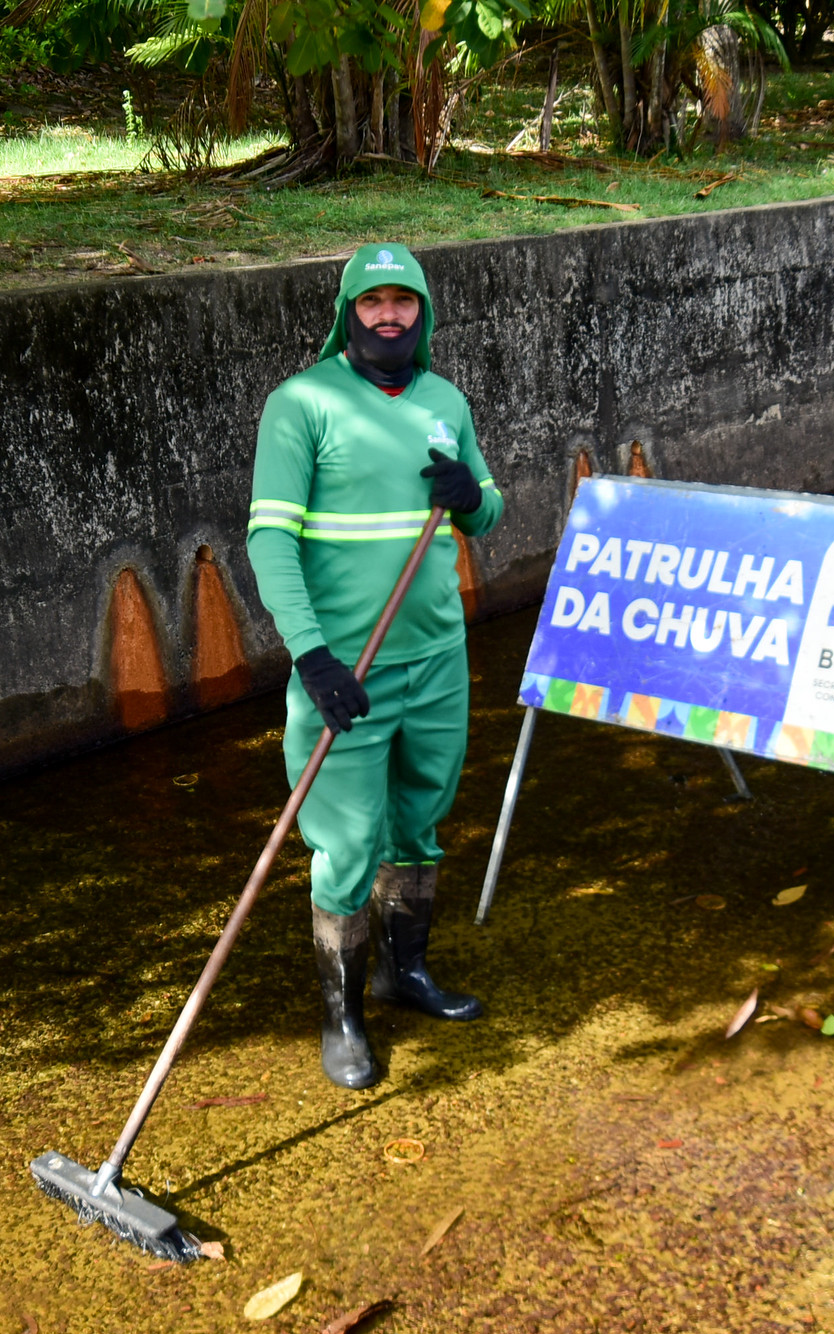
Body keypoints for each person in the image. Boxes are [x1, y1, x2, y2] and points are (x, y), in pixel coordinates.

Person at [246, 243, 505, 1090]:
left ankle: (408, 973)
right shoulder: (302, 405)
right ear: (346, 313)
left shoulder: (445, 400)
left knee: (420, 822)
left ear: (422, 313)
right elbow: (269, 539)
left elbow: (489, 511)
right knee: (348, 843)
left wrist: (472, 497)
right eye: (372, 302)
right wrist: (312, 656)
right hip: (345, 672)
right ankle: (344, 1015)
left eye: (403, 301)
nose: (389, 315)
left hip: (436, 658)